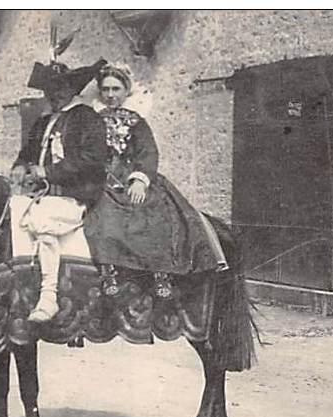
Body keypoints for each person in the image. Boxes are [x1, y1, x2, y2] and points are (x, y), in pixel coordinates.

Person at [83, 63, 228, 298]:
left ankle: (161, 273)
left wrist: (140, 179)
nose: (110, 95)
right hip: (102, 178)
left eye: (116, 89)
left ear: (125, 91)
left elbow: (148, 152)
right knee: (99, 213)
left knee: (154, 211)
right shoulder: (92, 121)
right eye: (106, 89)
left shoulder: (137, 122)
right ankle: (109, 270)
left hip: (131, 175)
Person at [11, 58, 109, 322]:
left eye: (60, 89)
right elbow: (26, 153)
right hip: (43, 195)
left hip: (77, 195)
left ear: (71, 90)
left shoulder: (87, 119)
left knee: (43, 220)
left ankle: (49, 296)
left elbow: (93, 160)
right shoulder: (43, 123)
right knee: (10, 214)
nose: (54, 95)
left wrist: (49, 172)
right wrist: (20, 166)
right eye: (49, 90)